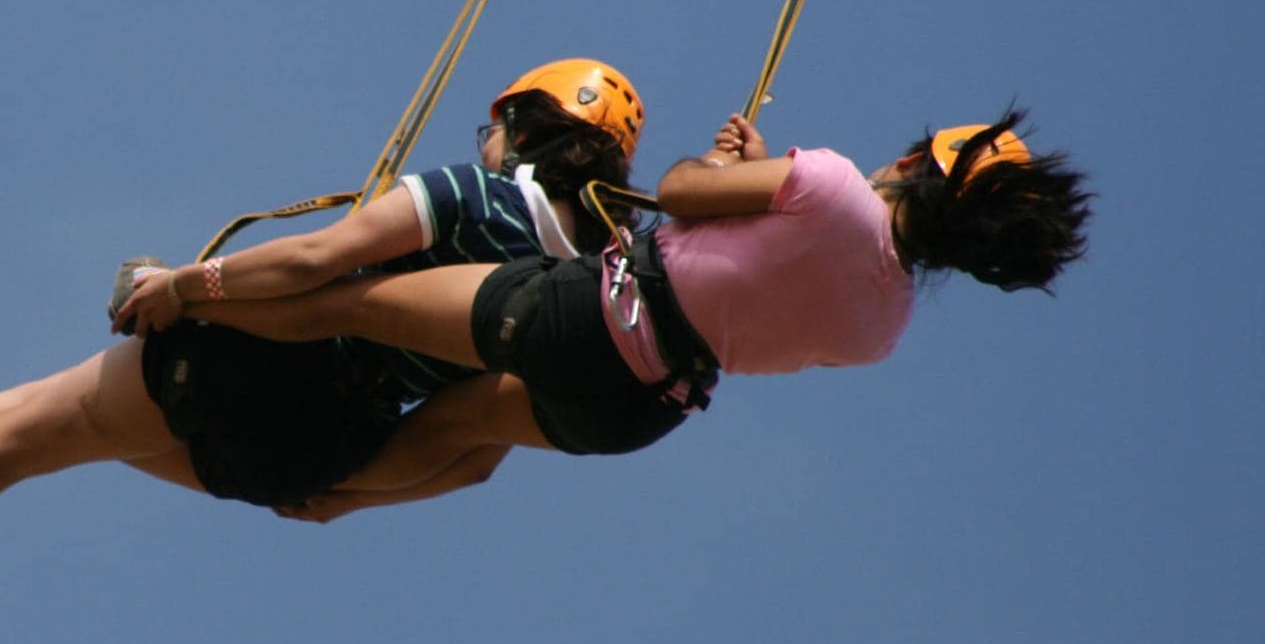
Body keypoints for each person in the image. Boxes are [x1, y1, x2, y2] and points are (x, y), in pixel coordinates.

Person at [0, 59, 651, 571]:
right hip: (305, 453)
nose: (484, 138)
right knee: (49, 420)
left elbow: (315, 259)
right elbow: (475, 455)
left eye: (496, 122)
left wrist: (185, 285)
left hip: (259, 365)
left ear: (530, 128)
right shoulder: (557, 299)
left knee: (34, 432)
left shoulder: (473, 196)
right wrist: (343, 496)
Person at [173, 106, 1093, 522]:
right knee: (465, 434)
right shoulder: (881, 330)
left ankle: (182, 297)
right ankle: (329, 500)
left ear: (918, 168)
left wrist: (737, 170)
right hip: (636, 409)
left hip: (588, 315)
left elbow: (683, 194)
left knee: (358, 303)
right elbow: (760, 307)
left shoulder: (836, 185)